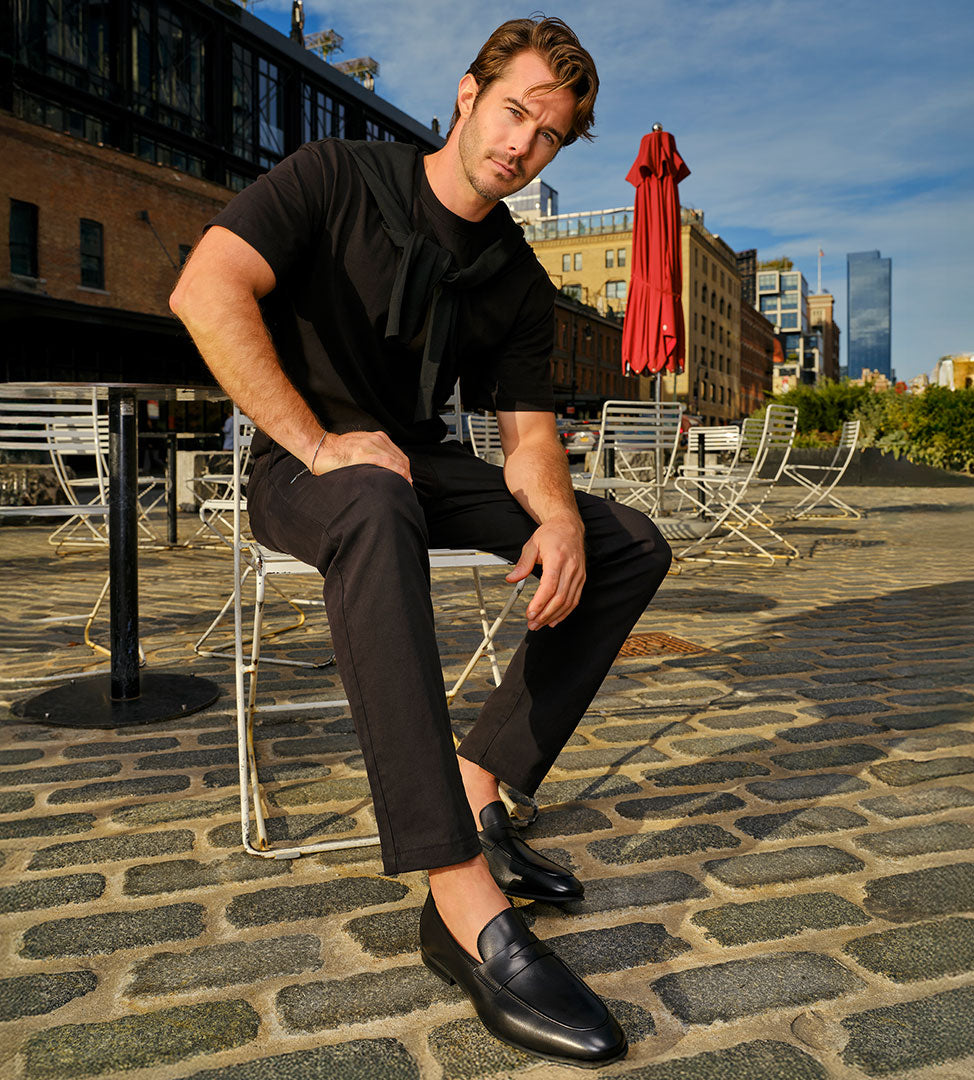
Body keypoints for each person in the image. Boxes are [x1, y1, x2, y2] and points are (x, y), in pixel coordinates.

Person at [170, 17, 671, 1068]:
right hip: (303, 465)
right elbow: (204, 290)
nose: (523, 144)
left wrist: (562, 518)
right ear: (468, 95)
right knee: (372, 500)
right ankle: (459, 898)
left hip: (418, 465)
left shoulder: (517, 275)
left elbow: (529, 439)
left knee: (625, 540)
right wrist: (318, 443)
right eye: (514, 111)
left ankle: (483, 787)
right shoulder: (334, 175)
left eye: (549, 134)